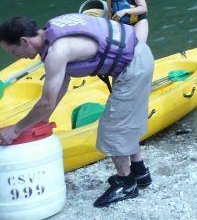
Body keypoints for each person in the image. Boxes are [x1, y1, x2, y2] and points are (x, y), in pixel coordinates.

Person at [0, 14, 154, 206]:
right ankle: (140, 173)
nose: (16, 57)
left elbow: (46, 101)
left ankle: (127, 184)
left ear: (24, 41)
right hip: (136, 53)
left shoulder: (57, 51)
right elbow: (63, 81)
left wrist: (16, 130)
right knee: (125, 121)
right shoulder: (52, 33)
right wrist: (44, 118)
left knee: (113, 128)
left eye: (14, 51)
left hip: (133, 66)